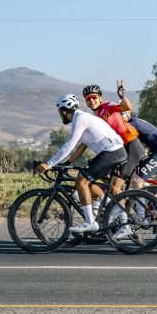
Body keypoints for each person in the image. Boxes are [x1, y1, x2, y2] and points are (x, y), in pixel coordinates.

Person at [36, 94, 127, 234]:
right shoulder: (82, 118)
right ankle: (108, 204)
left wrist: (50, 163)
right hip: (115, 152)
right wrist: (66, 163)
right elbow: (81, 145)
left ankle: (90, 222)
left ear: (65, 111)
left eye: (60, 111)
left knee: (81, 180)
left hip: (111, 152)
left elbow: (69, 145)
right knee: (88, 181)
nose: (61, 115)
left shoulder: (80, 119)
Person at [82, 81, 145, 196]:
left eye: (94, 97)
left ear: (100, 98)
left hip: (131, 147)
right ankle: (123, 201)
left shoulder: (108, 106)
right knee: (102, 173)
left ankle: (124, 211)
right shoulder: (94, 119)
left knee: (114, 187)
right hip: (119, 150)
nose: (91, 100)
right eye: (88, 99)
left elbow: (127, 107)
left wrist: (122, 96)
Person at [121, 111, 157, 181]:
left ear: (128, 114)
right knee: (135, 172)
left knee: (137, 180)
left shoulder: (131, 124)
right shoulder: (134, 120)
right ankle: (146, 190)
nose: (120, 117)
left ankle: (142, 191)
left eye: (122, 115)